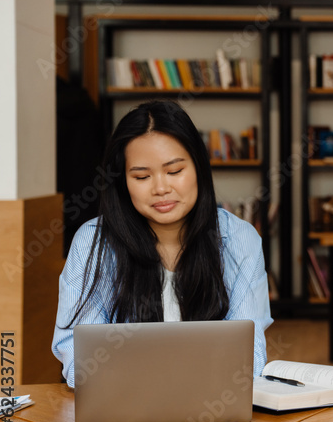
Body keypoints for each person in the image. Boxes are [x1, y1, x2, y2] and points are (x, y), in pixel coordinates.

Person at [52, 100, 271, 387]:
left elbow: (249, 353)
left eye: (175, 171)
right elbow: (79, 353)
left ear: (199, 168)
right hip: (122, 409)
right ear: (123, 182)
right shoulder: (92, 243)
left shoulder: (240, 239)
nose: (161, 188)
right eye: (142, 176)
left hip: (213, 406)